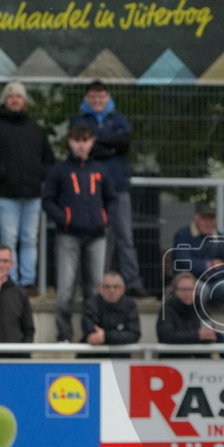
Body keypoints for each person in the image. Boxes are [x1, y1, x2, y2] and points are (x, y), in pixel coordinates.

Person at [0, 81, 56, 296]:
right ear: (5, 100)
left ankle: (27, 282)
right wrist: (2, 175)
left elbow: (49, 158)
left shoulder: (36, 130)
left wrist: (39, 175)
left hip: (32, 194)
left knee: (30, 239)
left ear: (24, 101)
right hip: (6, 194)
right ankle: (8, 280)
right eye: (11, 96)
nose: (15, 100)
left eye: (19, 96)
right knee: (8, 240)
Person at [71, 80, 149, 298]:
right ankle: (99, 284)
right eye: (93, 97)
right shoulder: (79, 120)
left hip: (118, 188)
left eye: (101, 97)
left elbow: (124, 142)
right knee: (98, 238)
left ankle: (132, 282)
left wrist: (97, 143)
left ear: (107, 98)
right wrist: (109, 146)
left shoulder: (118, 117)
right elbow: (84, 146)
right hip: (91, 191)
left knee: (125, 237)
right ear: (87, 99)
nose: (98, 101)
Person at [41, 124, 117, 342]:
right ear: (70, 142)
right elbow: (48, 201)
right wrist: (65, 218)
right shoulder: (59, 170)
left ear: (92, 142)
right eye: (76, 140)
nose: (81, 145)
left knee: (95, 288)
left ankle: (91, 332)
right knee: (65, 289)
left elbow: (112, 198)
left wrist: (105, 219)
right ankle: (63, 334)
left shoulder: (101, 170)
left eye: (85, 140)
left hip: (97, 236)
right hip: (68, 235)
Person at [171, 202, 224, 343]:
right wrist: (211, 264)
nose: (208, 222)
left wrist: (206, 271)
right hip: (193, 283)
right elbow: (183, 262)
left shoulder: (222, 238)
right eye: (204, 218)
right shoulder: (183, 235)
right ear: (196, 219)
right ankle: (205, 336)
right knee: (200, 289)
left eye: (211, 218)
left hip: (216, 284)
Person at [157, 271, 224, 349]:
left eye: (190, 289)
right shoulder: (167, 310)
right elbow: (166, 336)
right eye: (183, 289)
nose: (187, 293)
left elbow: (210, 331)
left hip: (200, 358)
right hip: (175, 357)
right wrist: (197, 335)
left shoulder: (200, 308)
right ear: (175, 291)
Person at [82, 271, 142, 348]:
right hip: (94, 354)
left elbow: (134, 334)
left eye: (115, 287)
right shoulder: (91, 303)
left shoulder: (130, 305)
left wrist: (106, 336)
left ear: (123, 289)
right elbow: (89, 328)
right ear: (100, 289)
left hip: (120, 356)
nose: (111, 290)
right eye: (107, 287)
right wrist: (116, 335)